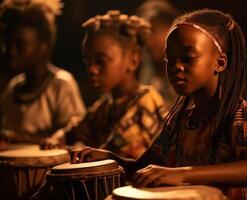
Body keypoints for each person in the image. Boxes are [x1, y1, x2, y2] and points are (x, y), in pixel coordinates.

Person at [71, 9, 247, 200]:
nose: (176, 66)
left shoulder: (246, 115)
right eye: (170, 58)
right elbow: (144, 167)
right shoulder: (180, 121)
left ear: (220, 63)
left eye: (188, 57)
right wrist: (111, 159)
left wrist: (181, 174)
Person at [44, 10, 167, 159]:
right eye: (87, 61)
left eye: (100, 61)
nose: (92, 69)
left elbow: (117, 153)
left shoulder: (147, 102)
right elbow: (71, 131)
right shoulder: (104, 107)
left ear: (133, 60)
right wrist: (56, 139)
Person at [0, 0, 85, 145]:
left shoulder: (61, 85)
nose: (11, 51)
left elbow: (75, 137)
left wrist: (22, 139)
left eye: (20, 44)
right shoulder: (13, 88)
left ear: (44, 45)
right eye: (7, 44)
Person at [135, 0, 179, 107]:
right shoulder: (145, 67)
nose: (148, 42)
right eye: (144, 35)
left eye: (153, 31)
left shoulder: (188, 73)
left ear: (171, 29)